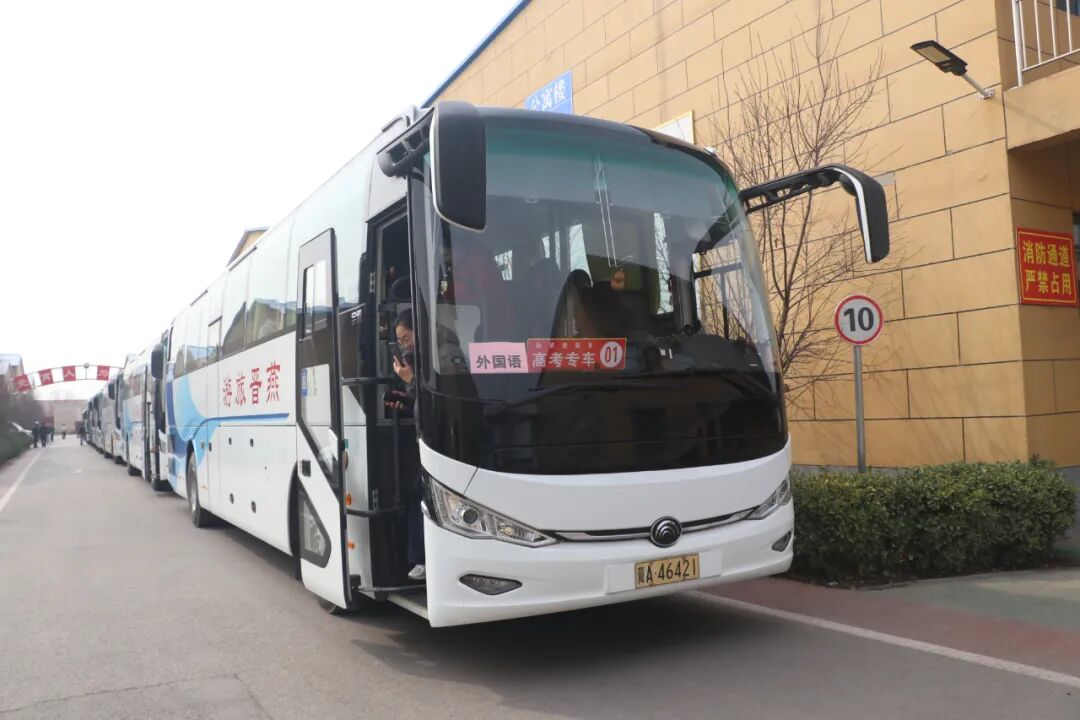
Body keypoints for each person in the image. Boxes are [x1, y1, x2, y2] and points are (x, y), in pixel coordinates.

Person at [388, 310, 425, 581]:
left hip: (437, 442)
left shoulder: (441, 352)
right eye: (399, 341)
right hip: (426, 440)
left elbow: (434, 399)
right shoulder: (419, 357)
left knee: (419, 494)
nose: (404, 345)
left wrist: (410, 380)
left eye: (406, 338)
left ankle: (422, 560)